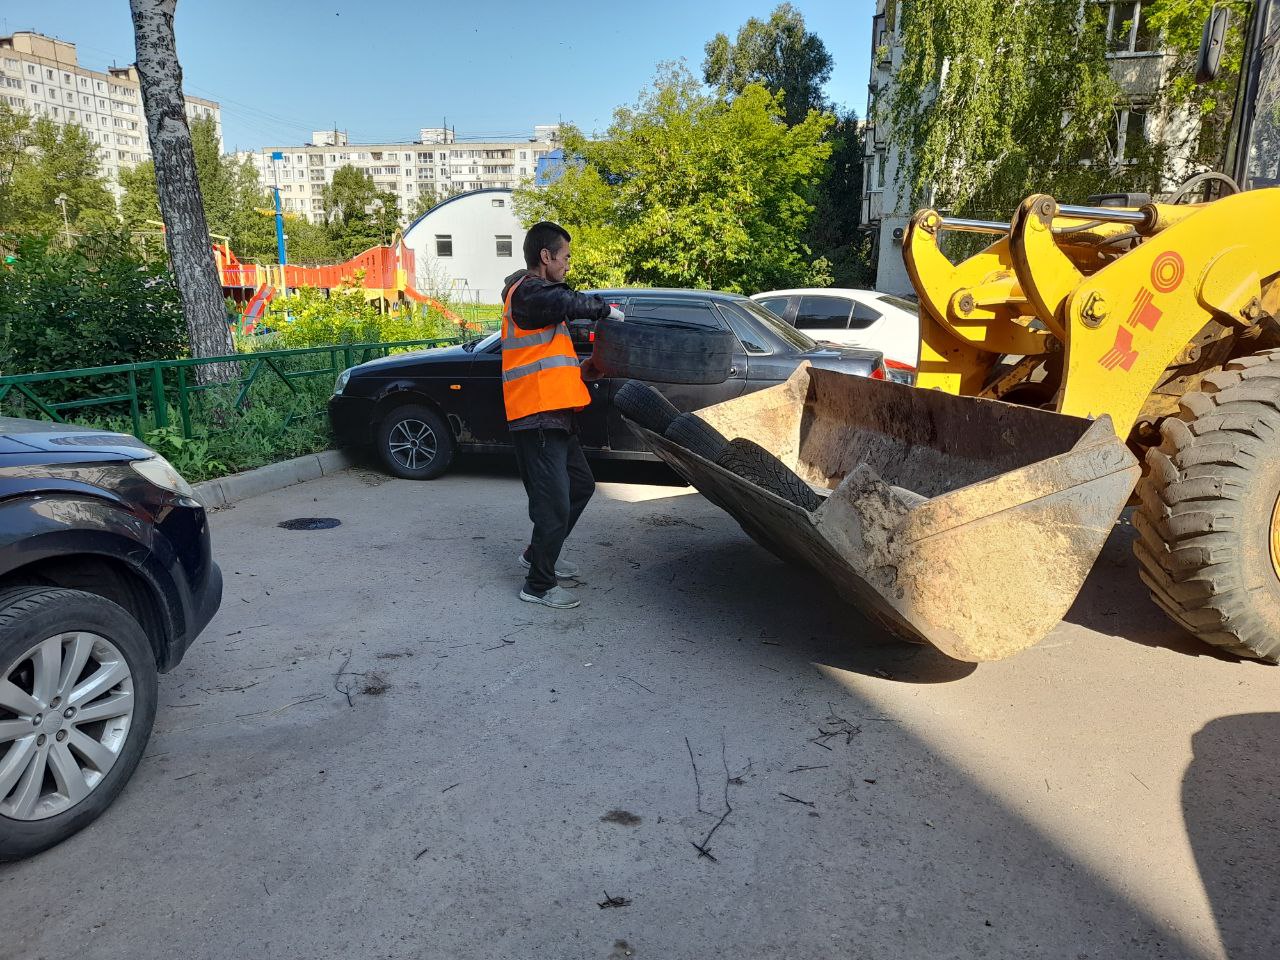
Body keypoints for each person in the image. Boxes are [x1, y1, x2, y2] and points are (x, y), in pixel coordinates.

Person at [500, 221, 623, 609]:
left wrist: (586, 370)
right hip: (536, 414)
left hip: (556, 413)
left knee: (580, 486)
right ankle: (538, 585)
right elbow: (569, 301)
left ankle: (537, 555)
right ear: (545, 256)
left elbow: (547, 360)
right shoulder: (529, 292)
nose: (568, 264)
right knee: (552, 503)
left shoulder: (538, 301)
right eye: (565, 257)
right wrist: (606, 310)